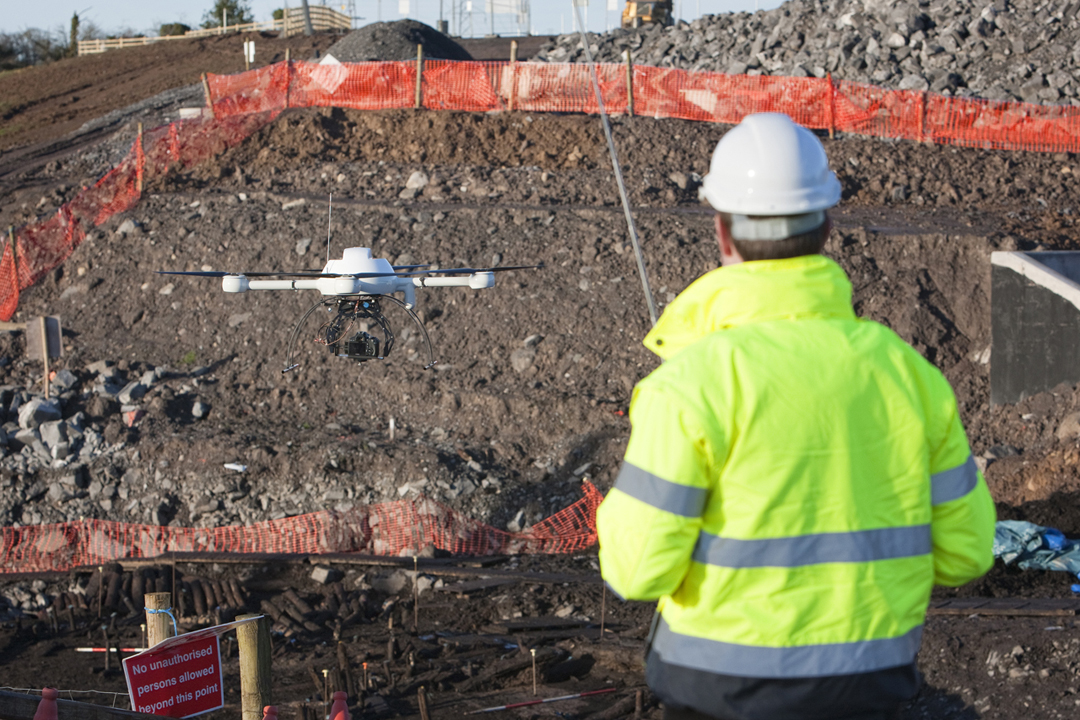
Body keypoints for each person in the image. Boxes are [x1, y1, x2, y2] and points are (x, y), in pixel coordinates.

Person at [595, 113, 996, 720]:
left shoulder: (690, 385)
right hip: (870, 683)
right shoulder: (910, 376)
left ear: (722, 232)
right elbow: (966, 553)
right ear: (827, 225)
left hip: (716, 690)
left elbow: (637, 569)